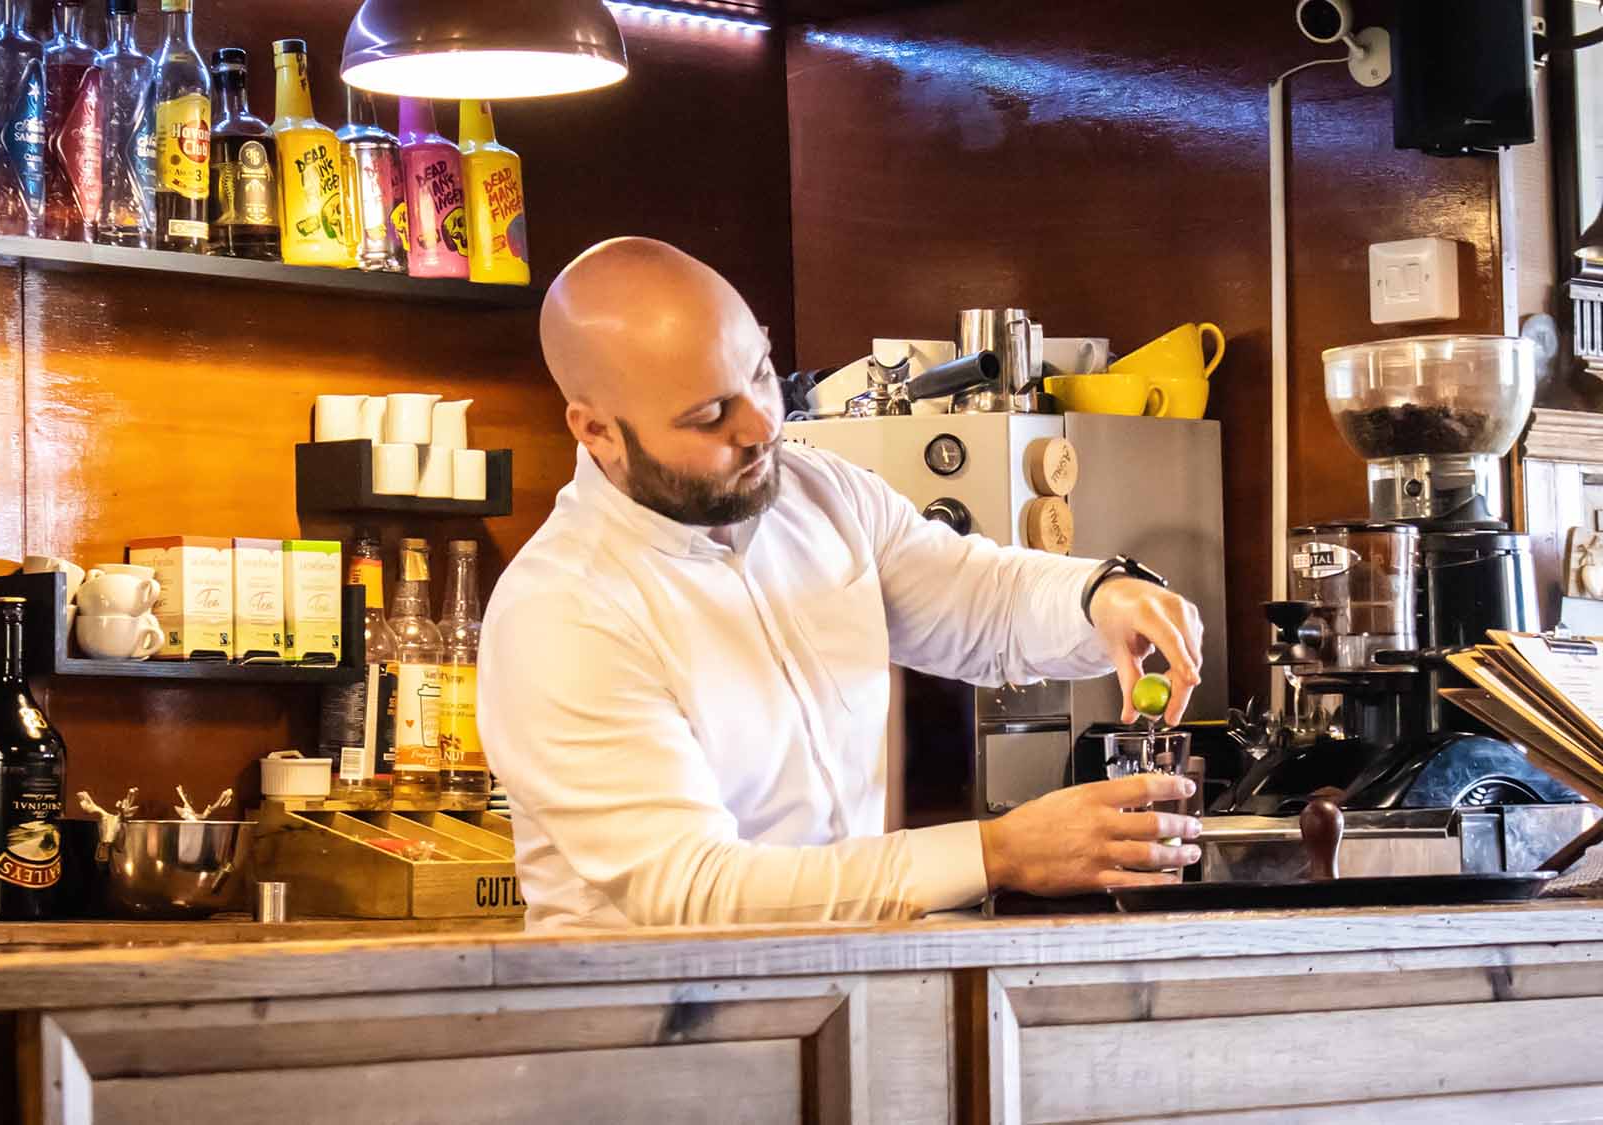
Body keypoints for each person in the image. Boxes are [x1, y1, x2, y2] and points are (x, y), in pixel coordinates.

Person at [479, 237, 1205, 931]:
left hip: (845, 995)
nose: (765, 424)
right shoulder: (562, 614)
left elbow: (979, 599)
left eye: (760, 372)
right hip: (663, 1036)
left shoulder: (818, 492)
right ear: (597, 431)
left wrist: (1102, 597)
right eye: (709, 415)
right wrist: (998, 852)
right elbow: (695, 891)